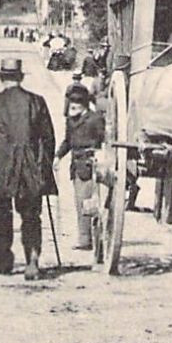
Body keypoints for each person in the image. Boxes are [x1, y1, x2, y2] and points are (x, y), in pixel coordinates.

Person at [0, 57, 58, 280]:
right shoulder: (37, 101)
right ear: (20, 77)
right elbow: (49, 138)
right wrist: (43, 165)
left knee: (1, 213)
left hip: (1, 166)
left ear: (2, 77)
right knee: (32, 214)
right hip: (30, 165)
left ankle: (4, 260)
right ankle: (32, 261)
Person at [55, 82, 109, 255]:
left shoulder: (95, 119)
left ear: (83, 106)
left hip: (90, 165)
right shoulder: (71, 120)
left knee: (90, 203)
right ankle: (85, 238)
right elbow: (67, 141)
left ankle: (93, 239)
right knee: (80, 203)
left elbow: (103, 141)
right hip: (76, 165)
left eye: (75, 107)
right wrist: (57, 156)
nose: (71, 110)